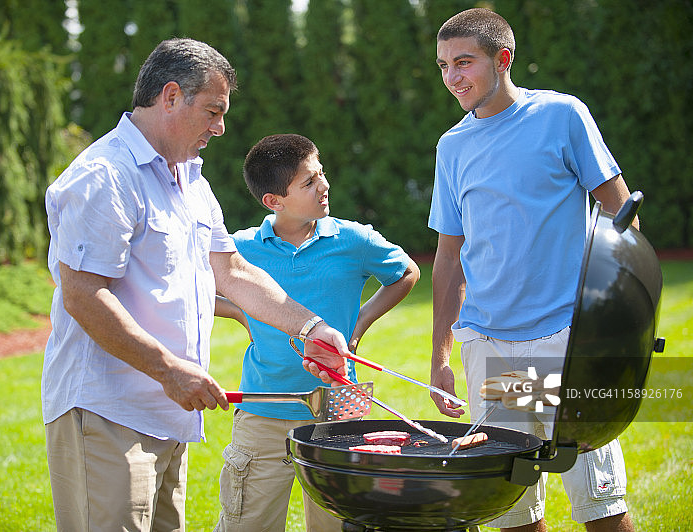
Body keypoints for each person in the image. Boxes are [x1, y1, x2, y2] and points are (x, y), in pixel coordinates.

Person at [42, 38, 351, 532]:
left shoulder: (191, 181)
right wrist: (168, 370)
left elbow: (233, 272)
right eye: (213, 111)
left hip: (169, 414)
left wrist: (311, 327)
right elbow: (83, 294)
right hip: (108, 412)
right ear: (170, 97)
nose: (220, 128)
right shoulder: (106, 176)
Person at [428, 8, 637, 532]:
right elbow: (449, 258)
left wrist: (620, 319)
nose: (452, 77)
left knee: (600, 504)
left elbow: (621, 214)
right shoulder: (452, 147)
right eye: (444, 65)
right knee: (512, 510)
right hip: (492, 346)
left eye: (464, 62)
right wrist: (440, 355)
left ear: (503, 59)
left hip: (564, 340)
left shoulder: (561, 116)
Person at [212, 133, 420, 531]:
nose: (324, 185)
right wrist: (242, 313)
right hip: (263, 410)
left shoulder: (353, 240)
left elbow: (406, 272)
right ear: (273, 200)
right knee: (247, 523)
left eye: (320, 173)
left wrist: (357, 327)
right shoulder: (240, 249)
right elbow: (198, 290)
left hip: (339, 409)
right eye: (309, 182)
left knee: (337, 524)